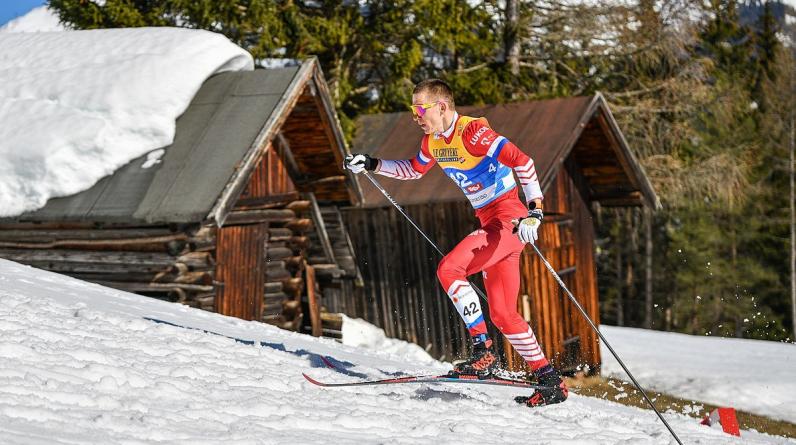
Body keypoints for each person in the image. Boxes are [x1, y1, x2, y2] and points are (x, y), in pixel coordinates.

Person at [344, 79, 567, 407]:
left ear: (442, 107)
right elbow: (413, 170)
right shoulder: (432, 142)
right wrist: (373, 164)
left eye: (420, 109)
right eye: (412, 110)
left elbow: (524, 162)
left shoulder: (472, 133)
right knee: (504, 313)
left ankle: (483, 353)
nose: (416, 116)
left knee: (450, 268)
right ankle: (550, 380)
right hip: (491, 224)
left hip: (508, 220)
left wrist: (536, 211)